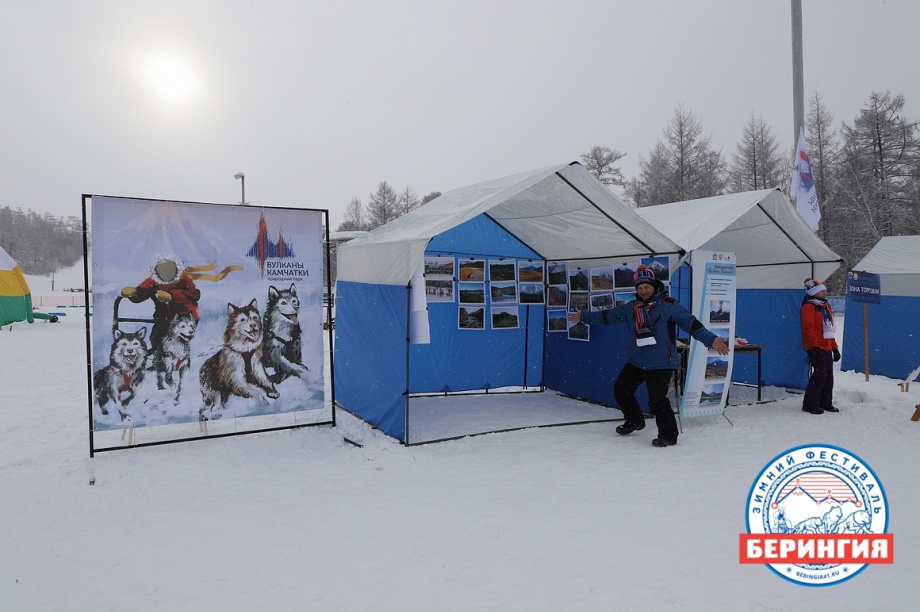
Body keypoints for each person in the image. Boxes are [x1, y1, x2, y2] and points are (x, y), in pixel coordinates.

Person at [608, 265, 729, 447]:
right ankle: (635, 421)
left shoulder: (669, 306)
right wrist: (582, 317)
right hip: (637, 361)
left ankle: (668, 435)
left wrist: (711, 340)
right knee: (621, 390)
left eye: (646, 287)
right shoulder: (632, 308)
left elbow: (692, 325)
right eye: (640, 288)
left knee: (657, 401)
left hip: (661, 362)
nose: (643, 291)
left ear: (654, 286)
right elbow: (607, 316)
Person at [800, 278, 839, 414]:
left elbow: (829, 329)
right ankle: (810, 403)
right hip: (815, 347)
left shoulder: (825, 306)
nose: (825, 292)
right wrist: (815, 346)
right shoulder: (808, 307)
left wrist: (835, 347)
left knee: (828, 375)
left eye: (824, 290)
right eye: (821, 290)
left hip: (826, 346)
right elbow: (809, 328)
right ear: (814, 292)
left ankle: (825, 402)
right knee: (820, 375)